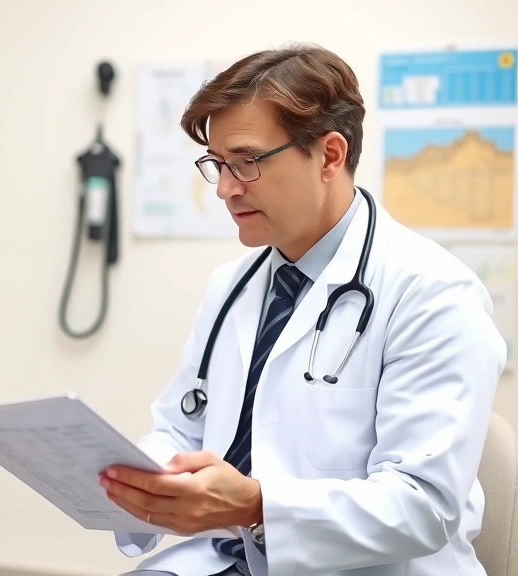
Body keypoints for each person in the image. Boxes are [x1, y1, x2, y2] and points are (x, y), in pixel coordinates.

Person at [99, 44, 506, 576]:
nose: (225, 189)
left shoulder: (434, 293)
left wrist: (256, 505)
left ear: (330, 155)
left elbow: (422, 506)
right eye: (217, 165)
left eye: (246, 162)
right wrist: (135, 478)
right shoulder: (231, 287)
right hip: (227, 560)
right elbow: (180, 429)